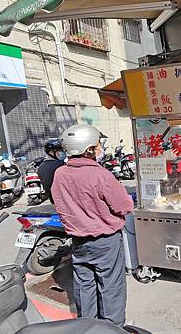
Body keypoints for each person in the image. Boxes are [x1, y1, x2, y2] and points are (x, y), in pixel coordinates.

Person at [51, 124, 134, 326]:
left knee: (84, 285)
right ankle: (113, 327)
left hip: (78, 241)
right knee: (111, 285)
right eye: (97, 145)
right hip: (105, 241)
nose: (100, 148)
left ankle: (87, 326)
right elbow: (124, 205)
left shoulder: (60, 174)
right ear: (88, 149)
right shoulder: (100, 175)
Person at [37, 139, 66, 203]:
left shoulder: (41, 167)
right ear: (51, 152)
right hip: (65, 200)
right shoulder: (60, 165)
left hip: (53, 200)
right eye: (60, 151)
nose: (63, 153)